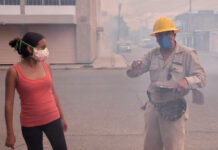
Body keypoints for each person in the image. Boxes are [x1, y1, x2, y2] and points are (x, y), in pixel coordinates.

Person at [127, 17, 206, 150]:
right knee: (150, 146)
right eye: (159, 35)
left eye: (167, 34)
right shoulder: (151, 54)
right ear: (156, 38)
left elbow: (201, 77)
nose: (163, 37)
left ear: (174, 34)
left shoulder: (187, 54)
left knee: (173, 147)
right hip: (153, 107)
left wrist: (187, 81)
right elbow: (132, 74)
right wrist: (135, 67)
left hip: (174, 108)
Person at [5, 32, 68, 150]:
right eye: (43, 47)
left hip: (53, 119)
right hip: (30, 124)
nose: (46, 50)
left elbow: (53, 93)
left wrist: (62, 117)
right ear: (29, 49)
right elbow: (8, 104)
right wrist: (10, 133)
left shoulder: (46, 66)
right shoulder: (13, 71)